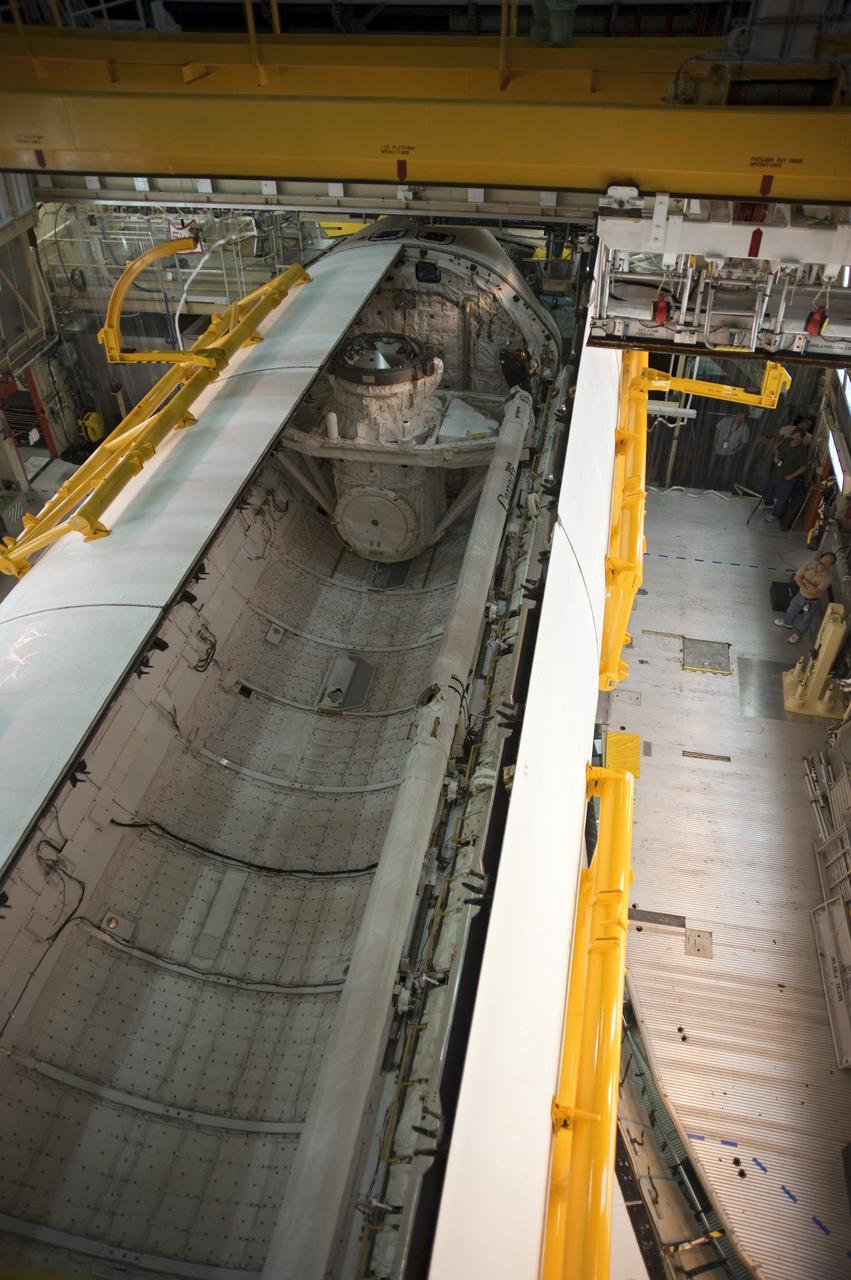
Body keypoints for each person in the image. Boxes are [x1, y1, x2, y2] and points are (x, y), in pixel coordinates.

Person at [773, 551, 836, 643]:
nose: (826, 561)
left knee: (807, 619)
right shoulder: (809, 564)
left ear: (831, 565)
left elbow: (815, 591)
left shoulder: (829, 577)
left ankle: (798, 634)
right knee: (791, 610)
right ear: (821, 558)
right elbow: (797, 577)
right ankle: (787, 623)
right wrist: (806, 589)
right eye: (826, 558)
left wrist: (804, 581)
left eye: (829, 561)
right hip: (801, 594)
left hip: (813, 601)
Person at [762, 426, 810, 524]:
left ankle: (775, 514)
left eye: (799, 437)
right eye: (795, 435)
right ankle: (768, 504)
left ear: (802, 438)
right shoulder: (786, 441)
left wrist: (791, 476)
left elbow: (804, 467)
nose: (796, 438)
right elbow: (777, 449)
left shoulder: (802, 451)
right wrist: (776, 457)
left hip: (787, 477)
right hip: (776, 472)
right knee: (769, 489)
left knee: (782, 497)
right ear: (792, 434)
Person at [708, 408, 750, 490]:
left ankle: (722, 487)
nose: (740, 419)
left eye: (743, 418)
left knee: (726, 470)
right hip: (718, 449)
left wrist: (736, 450)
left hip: (730, 452)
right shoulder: (726, 420)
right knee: (713, 466)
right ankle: (709, 484)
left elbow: (744, 443)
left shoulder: (745, 428)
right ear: (736, 414)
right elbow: (717, 429)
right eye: (739, 416)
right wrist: (715, 443)